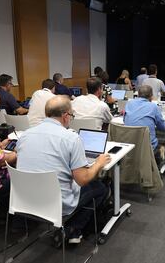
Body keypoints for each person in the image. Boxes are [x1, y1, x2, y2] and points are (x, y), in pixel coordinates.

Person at [16, 95, 111, 244]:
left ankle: (72, 230)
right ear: (65, 116)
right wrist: (98, 163)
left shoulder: (25, 135)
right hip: (56, 205)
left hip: (24, 201)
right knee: (99, 187)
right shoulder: (71, 138)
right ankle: (73, 228)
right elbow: (82, 179)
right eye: (72, 115)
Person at [124, 85, 165, 165]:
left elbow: (124, 121)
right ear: (151, 96)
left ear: (138, 94)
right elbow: (163, 127)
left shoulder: (129, 103)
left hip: (129, 143)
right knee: (160, 145)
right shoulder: (153, 107)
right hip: (147, 146)